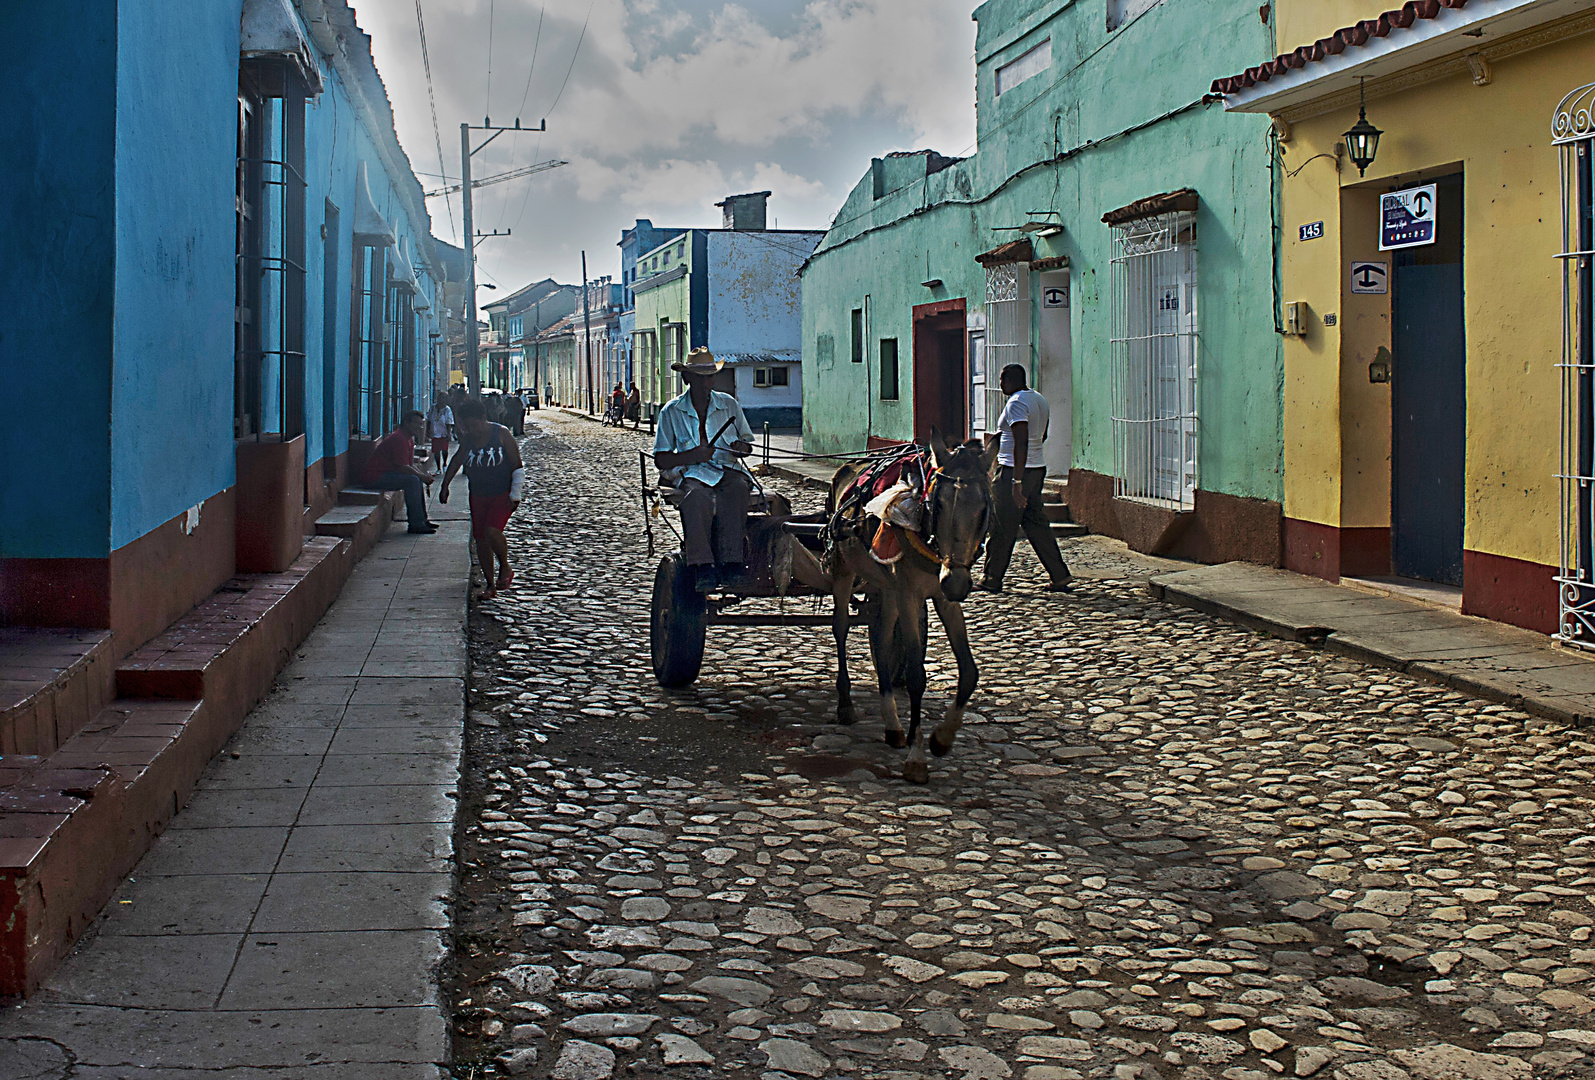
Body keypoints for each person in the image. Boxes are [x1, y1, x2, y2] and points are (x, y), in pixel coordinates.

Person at [652, 349, 754, 585]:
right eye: (700, 377)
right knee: (696, 497)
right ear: (687, 378)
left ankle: (732, 562)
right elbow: (661, 459)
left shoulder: (729, 405)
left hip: (727, 470)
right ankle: (702, 565)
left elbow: (747, 444)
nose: (706, 383)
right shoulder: (672, 411)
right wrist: (692, 455)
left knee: (738, 488)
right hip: (693, 473)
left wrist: (741, 448)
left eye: (710, 377)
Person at [978, 364, 1073, 593]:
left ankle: (992, 578)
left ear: (1012, 380)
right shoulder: (1039, 400)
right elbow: (1043, 435)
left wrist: (1016, 482)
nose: (1000, 384)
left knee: (1002, 526)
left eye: (1002, 379)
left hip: (1014, 470)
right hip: (1036, 468)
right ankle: (1059, 575)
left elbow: (1021, 442)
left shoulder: (1016, 403)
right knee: (1036, 524)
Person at [441, 397, 523, 599]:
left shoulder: (501, 434)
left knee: (492, 531)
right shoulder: (468, 438)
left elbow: (517, 466)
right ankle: (490, 585)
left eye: (473, 424)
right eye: (466, 425)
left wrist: (515, 494)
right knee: (480, 541)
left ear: (483, 418)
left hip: (501, 494)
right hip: (477, 494)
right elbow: (457, 459)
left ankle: (505, 566)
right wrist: (445, 485)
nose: (471, 429)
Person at [361, 410, 437, 535]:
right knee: (412, 481)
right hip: (375, 477)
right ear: (406, 423)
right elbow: (402, 467)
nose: (419, 427)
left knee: (415, 479)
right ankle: (416, 524)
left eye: (421, 424)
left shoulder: (409, 439)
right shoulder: (399, 438)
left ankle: (422, 520)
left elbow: (410, 465)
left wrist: (423, 476)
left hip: (387, 474)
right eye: (416, 423)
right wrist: (422, 476)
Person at [426, 394, 455, 470]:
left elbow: (449, 422)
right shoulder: (432, 408)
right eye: (439, 398)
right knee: (436, 451)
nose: (440, 400)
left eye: (443, 398)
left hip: (443, 433)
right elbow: (429, 420)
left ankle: (444, 464)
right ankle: (438, 468)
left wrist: (449, 433)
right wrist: (428, 431)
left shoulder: (447, 410)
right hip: (434, 432)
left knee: (444, 450)